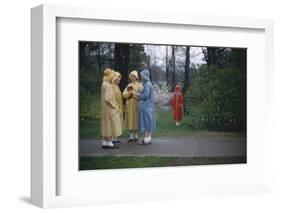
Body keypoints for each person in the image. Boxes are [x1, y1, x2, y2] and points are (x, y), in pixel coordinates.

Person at [100, 68, 122, 149]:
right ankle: (109, 142)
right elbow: (108, 98)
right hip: (109, 109)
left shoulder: (103, 84)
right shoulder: (108, 86)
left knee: (105, 125)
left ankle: (105, 141)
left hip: (105, 109)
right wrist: (115, 105)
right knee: (109, 125)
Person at [135, 69, 156, 145]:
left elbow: (146, 96)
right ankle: (148, 139)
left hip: (146, 107)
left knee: (146, 122)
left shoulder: (147, 84)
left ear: (145, 76)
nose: (141, 77)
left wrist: (138, 94)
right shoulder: (149, 83)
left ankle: (146, 140)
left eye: (141, 75)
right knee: (149, 123)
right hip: (149, 107)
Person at [123, 70, 143, 142]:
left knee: (136, 119)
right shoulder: (129, 85)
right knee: (130, 119)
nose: (132, 78)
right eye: (131, 76)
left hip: (136, 105)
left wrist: (134, 94)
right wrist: (129, 94)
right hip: (129, 105)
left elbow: (141, 95)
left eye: (133, 76)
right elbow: (124, 94)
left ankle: (136, 136)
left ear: (136, 77)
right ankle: (131, 136)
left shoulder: (140, 85)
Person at [111, 71, 123, 144]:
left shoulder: (116, 86)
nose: (119, 80)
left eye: (120, 78)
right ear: (114, 78)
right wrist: (115, 106)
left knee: (118, 123)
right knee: (114, 123)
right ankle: (113, 139)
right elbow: (111, 98)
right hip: (114, 108)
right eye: (118, 78)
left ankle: (116, 138)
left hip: (119, 107)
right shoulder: (112, 86)